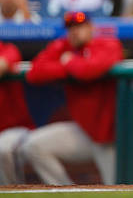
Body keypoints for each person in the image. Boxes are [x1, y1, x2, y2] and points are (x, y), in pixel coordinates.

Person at [23, 12, 123, 185]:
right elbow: (34, 72)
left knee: (115, 189)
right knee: (34, 146)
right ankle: (67, 193)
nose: (74, 32)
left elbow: (90, 70)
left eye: (79, 26)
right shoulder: (63, 47)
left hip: (112, 134)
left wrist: (69, 62)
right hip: (85, 131)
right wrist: (67, 64)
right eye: (70, 28)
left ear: (91, 27)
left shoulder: (107, 44)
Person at [0, 40, 35, 184]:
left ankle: (13, 192)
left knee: (3, 148)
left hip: (16, 131)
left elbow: (2, 65)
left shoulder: (8, 49)